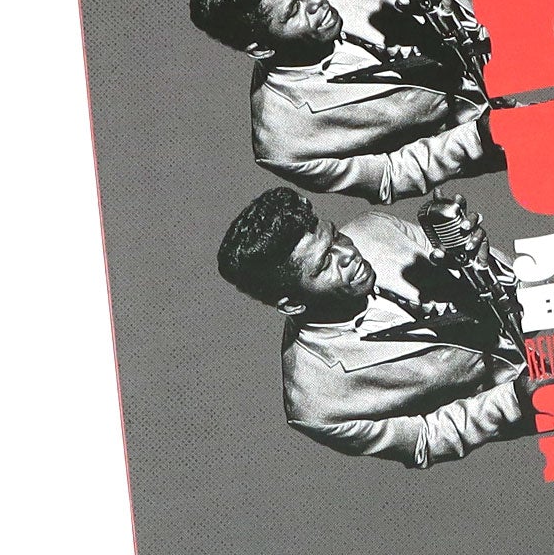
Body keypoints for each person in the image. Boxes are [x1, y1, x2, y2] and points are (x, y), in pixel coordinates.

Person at [216, 188, 536, 467]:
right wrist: (515, 399)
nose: (349, 253)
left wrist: (482, 264)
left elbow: (501, 278)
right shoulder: (316, 404)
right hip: (533, 400)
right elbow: (424, 440)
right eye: (325, 264)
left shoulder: (375, 228)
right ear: (292, 305)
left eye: (335, 235)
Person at [189, 0, 500, 202]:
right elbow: (389, 177)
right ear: (260, 49)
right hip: (491, 140)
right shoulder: (283, 143)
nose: (316, 0)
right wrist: (478, 137)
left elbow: (460, 22)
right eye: (293, 10)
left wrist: (445, 8)